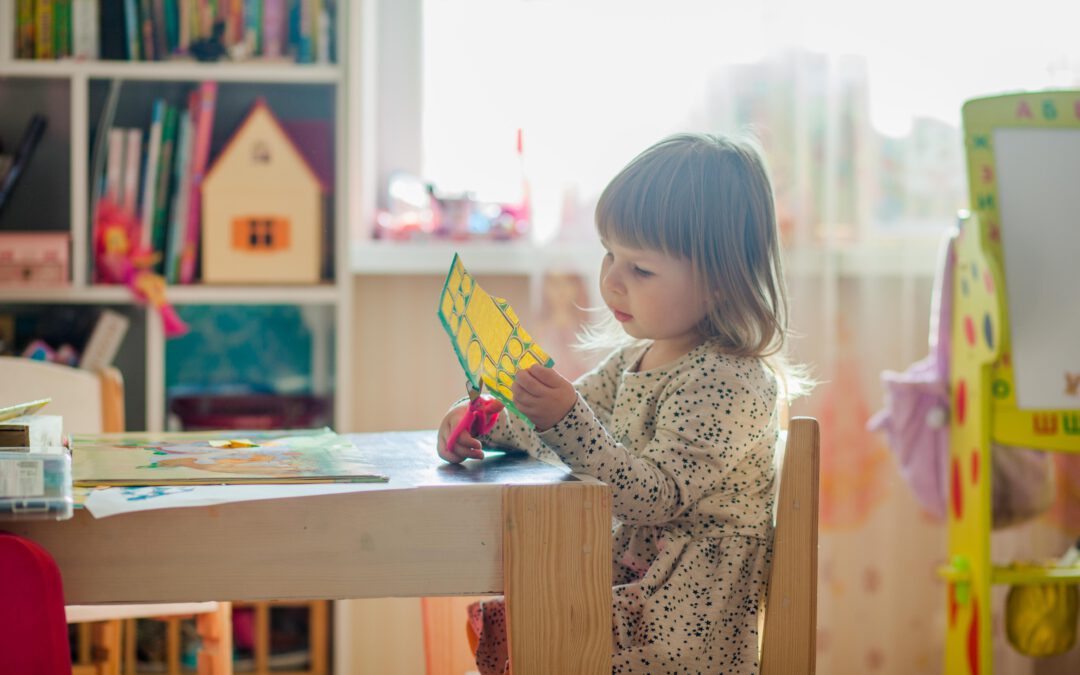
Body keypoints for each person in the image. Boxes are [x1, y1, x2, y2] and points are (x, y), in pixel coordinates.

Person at [437, 132, 809, 674]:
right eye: (610, 255)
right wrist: (488, 422)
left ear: (720, 283)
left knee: (538, 618)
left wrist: (566, 420)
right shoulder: (638, 357)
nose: (611, 281)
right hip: (634, 592)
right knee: (528, 605)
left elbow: (654, 495)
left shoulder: (733, 381)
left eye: (641, 270)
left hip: (680, 627)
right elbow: (567, 427)